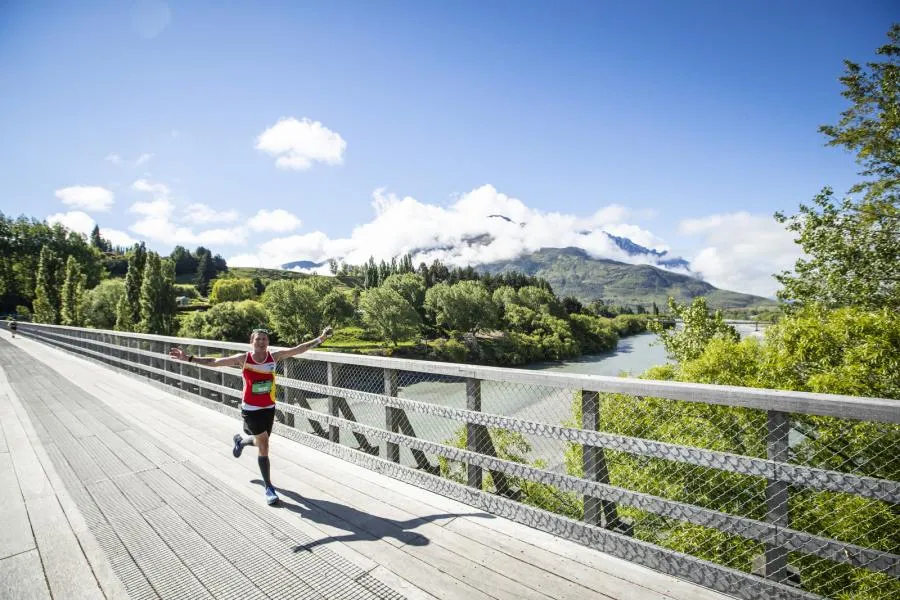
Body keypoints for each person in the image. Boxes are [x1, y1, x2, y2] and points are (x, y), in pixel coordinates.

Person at [169, 326, 333, 505]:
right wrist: (189, 358)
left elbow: (299, 349)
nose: (261, 342)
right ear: (252, 342)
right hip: (251, 409)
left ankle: (241, 442)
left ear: (268, 342)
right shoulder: (243, 359)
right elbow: (215, 361)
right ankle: (269, 488)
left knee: (260, 442)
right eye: (258, 339)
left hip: (268, 407)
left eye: (264, 339)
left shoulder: (274, 357)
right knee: (264, 444)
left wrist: (321, 339)